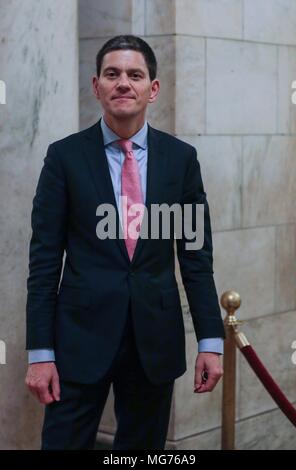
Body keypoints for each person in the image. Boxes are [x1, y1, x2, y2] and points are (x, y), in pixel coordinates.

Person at [25, 35, 225, 450]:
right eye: (112, 74)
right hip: (78, 339)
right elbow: (44, 261)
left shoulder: (180, 159)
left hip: (154, 340)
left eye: (135, 75)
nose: (123, 83)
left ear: (152, 88)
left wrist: (210, 340)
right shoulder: (63, 158)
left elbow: (195, 258)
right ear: (96, 85)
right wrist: (40, 352)